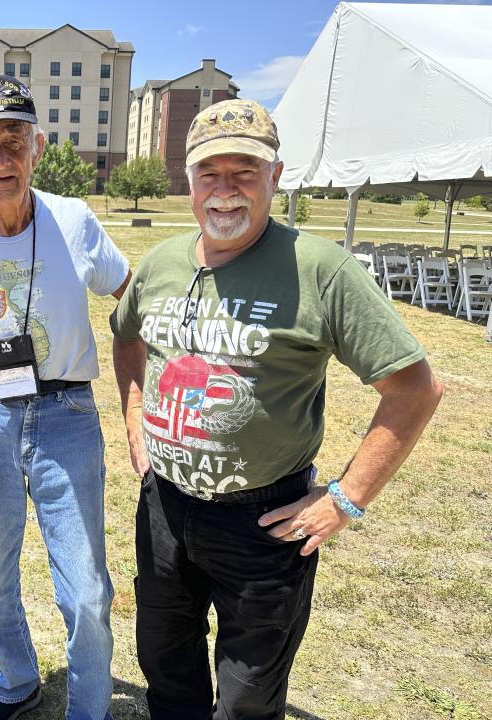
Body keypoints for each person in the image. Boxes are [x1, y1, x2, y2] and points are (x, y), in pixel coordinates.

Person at [110, 99, 443, 720]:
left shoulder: (321, 270)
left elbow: (416, 389)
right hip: (165, 508)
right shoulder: (160, 264)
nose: (226, 192)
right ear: (188, 181)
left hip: (265, 521)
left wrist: (344, 499)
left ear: (276, 176)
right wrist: (134, 418)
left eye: (245, 172)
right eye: (210, 173)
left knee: (246, 700)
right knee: (166, 667)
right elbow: (126, 335)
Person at [0, 75, 131, 720]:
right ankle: (18, 680)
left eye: (14, 140)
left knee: (88, 588)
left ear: (38, 146)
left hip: (67, 413)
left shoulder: (75, 220)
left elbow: (129, 294)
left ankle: (89, 709)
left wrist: (145, 393)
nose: (1, 157)